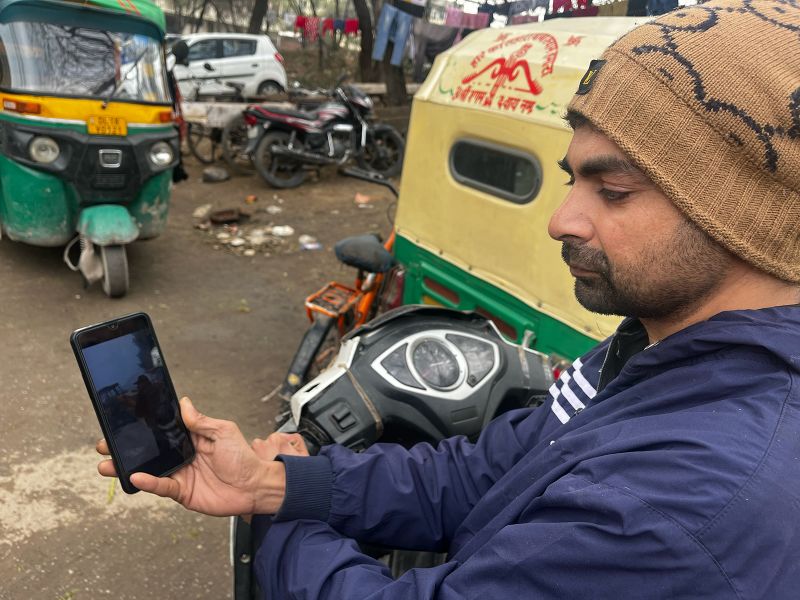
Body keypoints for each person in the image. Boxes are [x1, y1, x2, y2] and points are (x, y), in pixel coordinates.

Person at [96, 1, 800, 597]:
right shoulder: (654, 344)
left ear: (739, 215)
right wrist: (277, 484)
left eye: (612, 192)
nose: (563, 220)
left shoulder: (685, 509)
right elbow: (491, 468)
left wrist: (283, 529)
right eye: (572, 181)